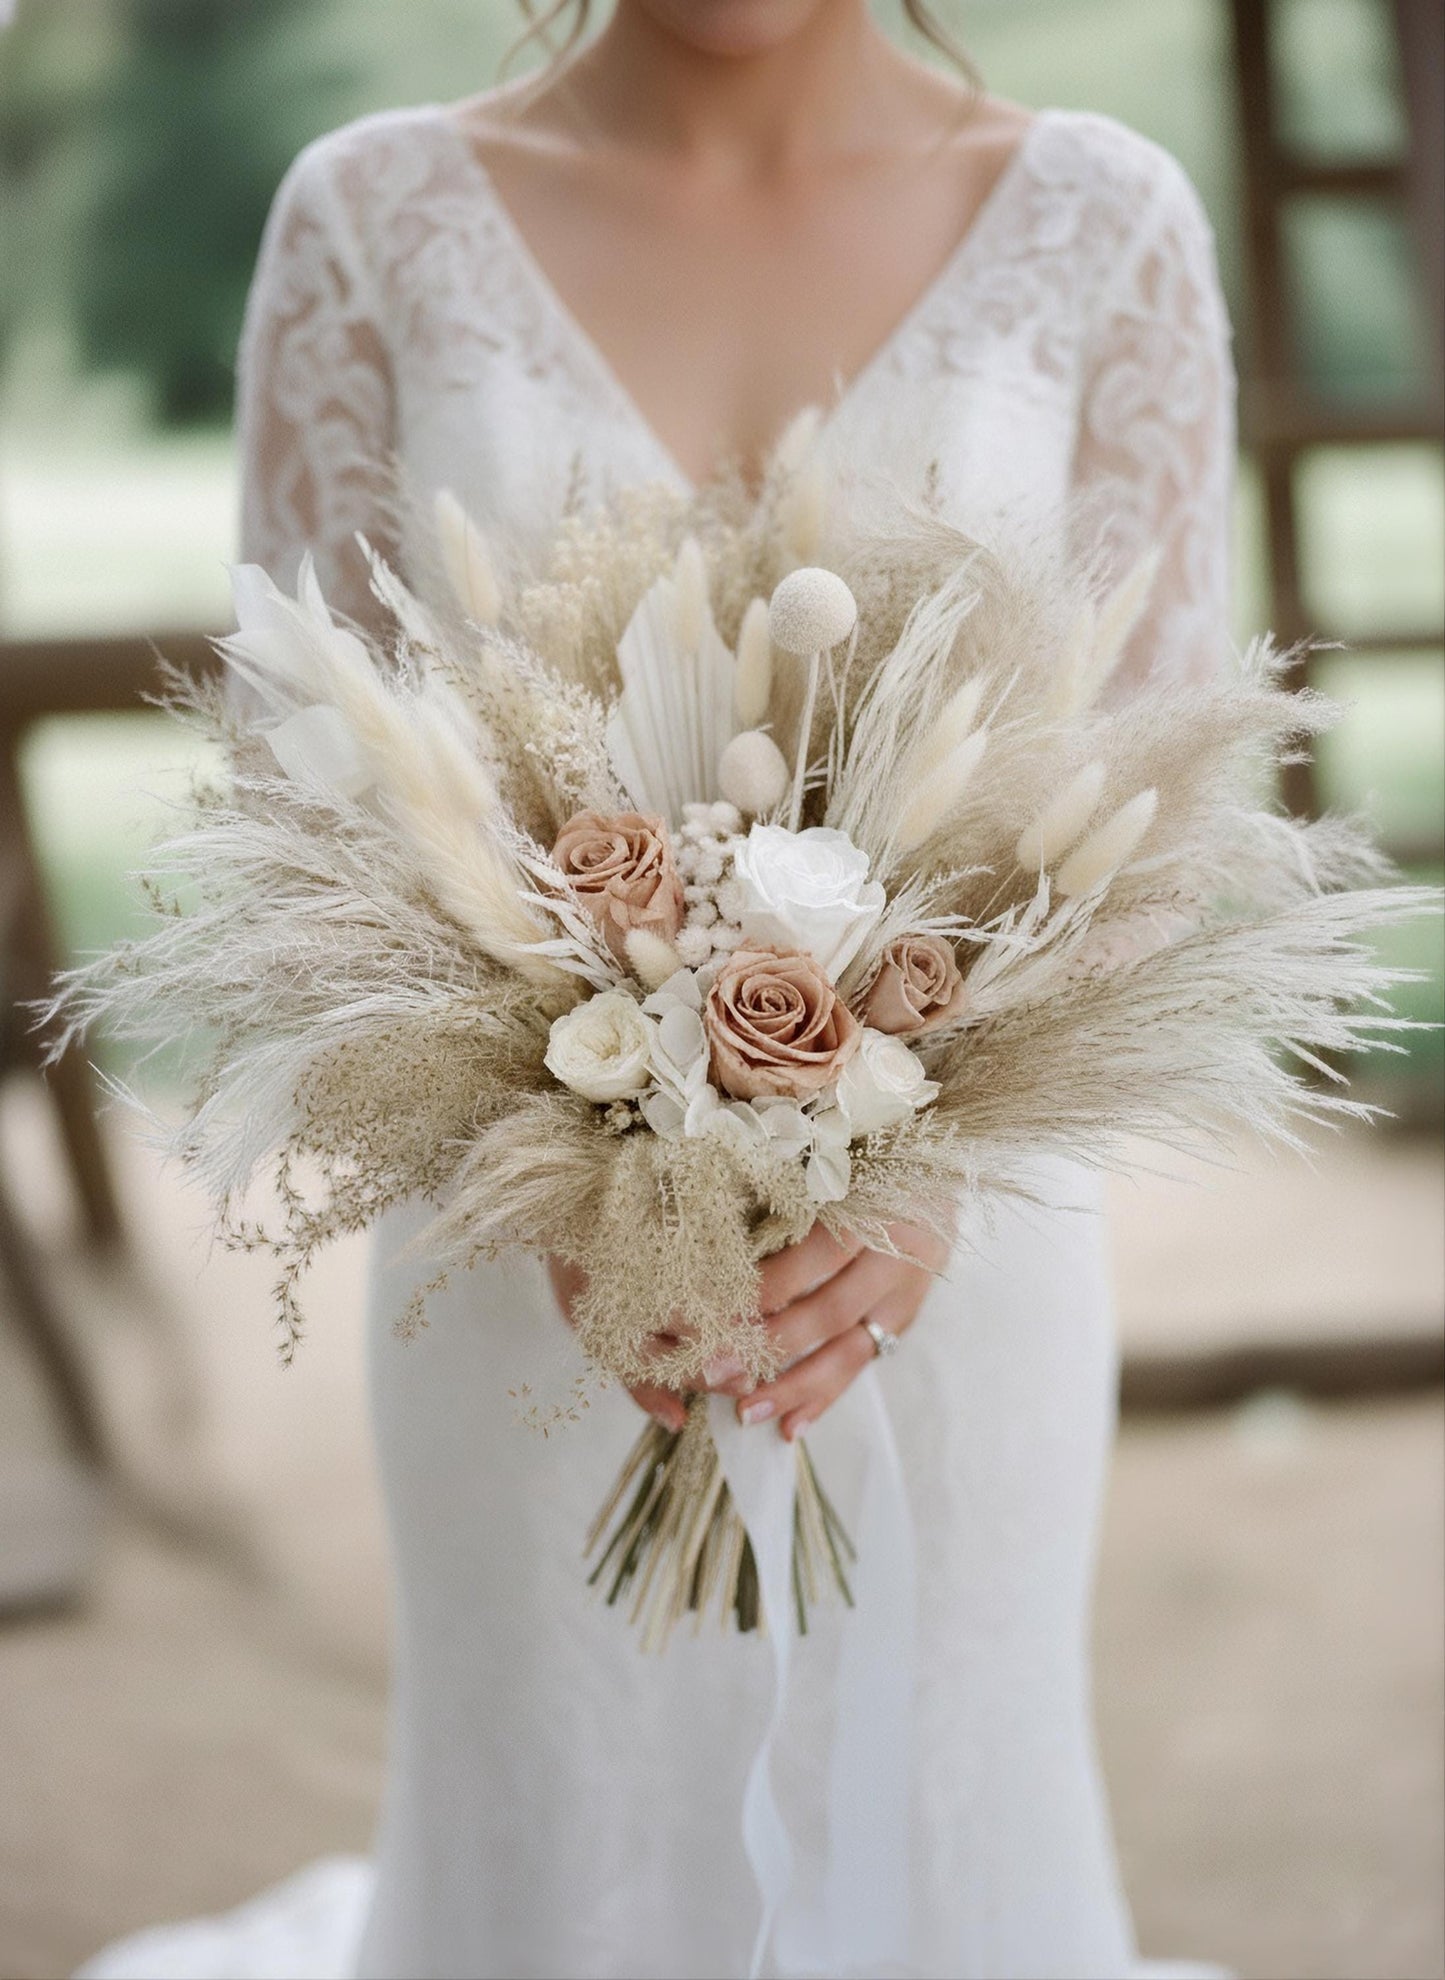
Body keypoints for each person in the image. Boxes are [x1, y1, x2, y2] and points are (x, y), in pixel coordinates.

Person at [83, 2, 1234, 1974]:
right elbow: (304, 786)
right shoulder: (374, 220)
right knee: (569, 1818)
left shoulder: (1099, 225)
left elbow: (1167, 806)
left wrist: (925, 1176)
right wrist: (556, 1172)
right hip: (512, 1275)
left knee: (935, 1811)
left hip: (958, 1275)